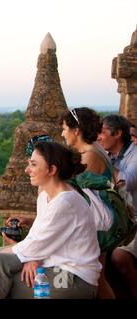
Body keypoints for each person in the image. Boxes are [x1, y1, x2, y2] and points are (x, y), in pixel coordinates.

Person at [0, 142, 101, 299]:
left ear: (52, 170)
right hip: (51, 266)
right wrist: (31, 257)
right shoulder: (45, 197)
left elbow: (35, 246)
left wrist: (30, 255)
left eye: (33, 164)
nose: (27, 170)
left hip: (73, 277)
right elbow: (37, 240)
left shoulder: (65, 202)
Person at [60, 107, 115, 298]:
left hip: (98, 224)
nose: (62, 133)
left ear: (76, 130)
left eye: (65, 128)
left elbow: (74, 191)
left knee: (97, 278)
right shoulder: (90, 150)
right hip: (96, 221)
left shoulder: (90, 155)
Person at [97, 115, 137, 298]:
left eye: (103, 132)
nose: (99, 137)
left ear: (118, 134)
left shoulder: (134, 154)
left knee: (118, 257)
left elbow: (127, 182)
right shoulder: (110, 156)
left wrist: (102, 162)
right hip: (120, 221)